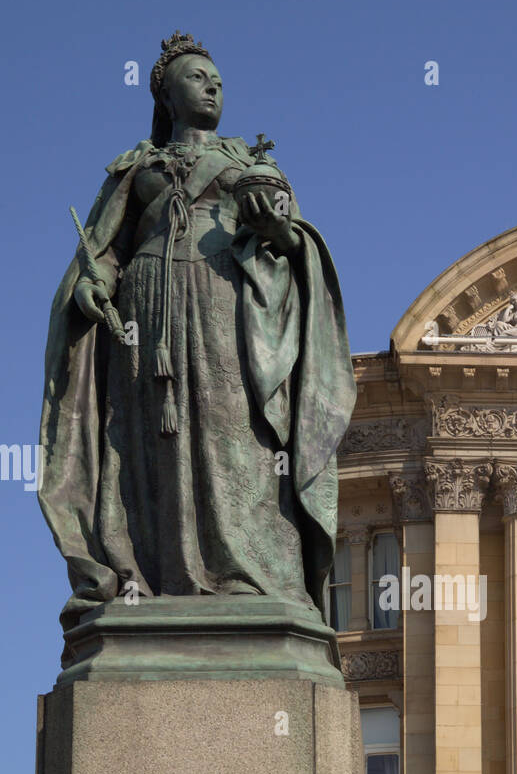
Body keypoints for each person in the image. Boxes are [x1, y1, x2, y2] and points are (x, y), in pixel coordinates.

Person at [40, 32, 355, 639]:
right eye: (197, 77)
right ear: (165, 93)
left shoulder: (247, 160)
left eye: (217, 80)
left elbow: (289, 241)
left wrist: (281, 234)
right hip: (145, 312)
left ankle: (248, 571)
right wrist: (90, 286)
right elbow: (106, 250)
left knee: (235, 432)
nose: (212, 87)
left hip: (224, 304)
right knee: (148, 439)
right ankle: (148, 571)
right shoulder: (137, 168)